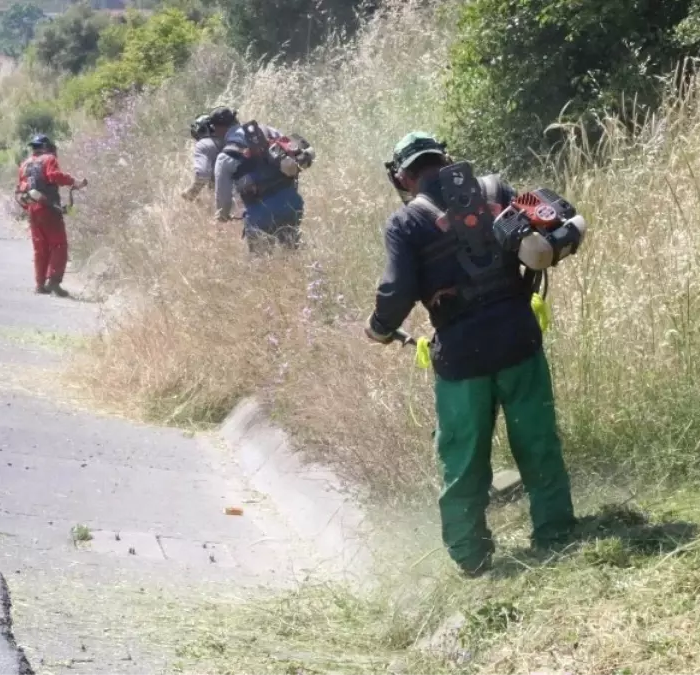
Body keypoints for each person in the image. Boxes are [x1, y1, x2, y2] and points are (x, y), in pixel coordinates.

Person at [363, 131, 583, 578]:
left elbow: (397, 290)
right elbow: (547, 231)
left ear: (403, 176)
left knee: (463, 462)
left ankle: (473, 560)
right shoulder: (495, 191)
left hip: (463, 361)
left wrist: (380, 328)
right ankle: (556, 537)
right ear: (446, 160)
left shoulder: (407, 223)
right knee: (538, 444)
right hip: (519, 341)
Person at [211, 107, 315, 254]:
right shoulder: (267, 131)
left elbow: (223, 199)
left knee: (261, 264)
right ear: (235, 120)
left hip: (259, 215)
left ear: (217, 129)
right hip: (292, 203)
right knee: (292, 251)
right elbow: (291, 153)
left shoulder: (225, 157)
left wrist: (223, 216)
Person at [15, 134, 87, 297]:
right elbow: (54, 176)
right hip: (48, 209)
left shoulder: (24, 165)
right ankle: (53, 282)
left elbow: (20, 188)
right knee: (58, 245)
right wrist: (74, 182)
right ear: (47, 146)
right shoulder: (49, 159)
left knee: (40, 248)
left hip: (32, 210)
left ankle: (40, 284)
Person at [180, 111, 225, 202]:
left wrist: (192, 193)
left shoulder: (203, 145)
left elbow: (202, 175)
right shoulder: (228, 139)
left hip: (225, 197)